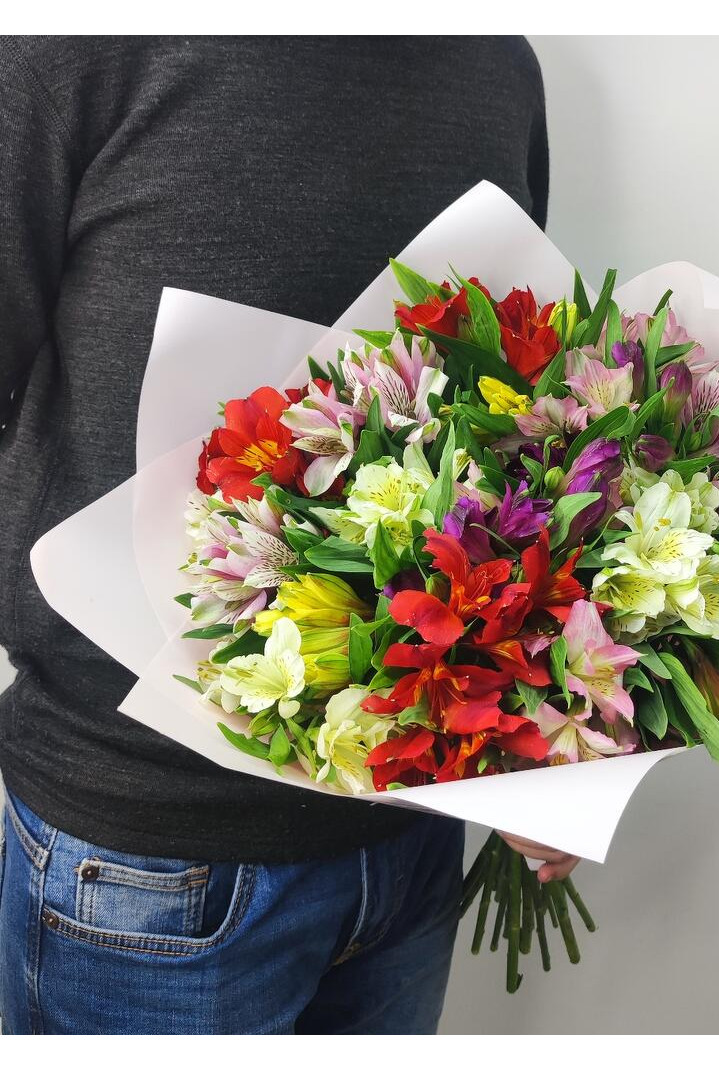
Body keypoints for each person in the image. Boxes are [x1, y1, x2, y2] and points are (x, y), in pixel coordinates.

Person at [0, 35, 578, 1036]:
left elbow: (505, 412)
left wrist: (543, 733)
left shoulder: (494, 63)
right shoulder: (75, 49)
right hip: (148, 854)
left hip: (412, 823)